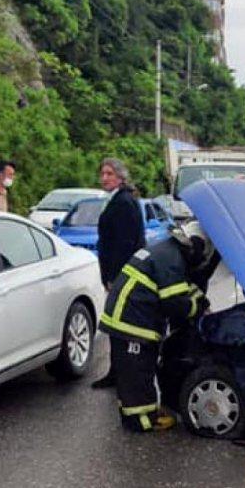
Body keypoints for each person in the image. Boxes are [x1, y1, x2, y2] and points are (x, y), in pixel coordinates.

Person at [99, 223, 211, 432]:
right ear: (194, 245)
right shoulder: (172, 259)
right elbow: (175, 304)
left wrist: (201, 301)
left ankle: (136, 413)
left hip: (128, 318)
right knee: (137, 372)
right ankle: (141, 420)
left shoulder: (167, 251)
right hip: (132, 323)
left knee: (133, 370)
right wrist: (198, 308)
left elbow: (182, 287)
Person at [92, 157, 145, 389]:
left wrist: (114, 277)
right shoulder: (118, 199)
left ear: (121, 177)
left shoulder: (123, 202)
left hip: (122, 274)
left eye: (109, 174)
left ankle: (120, 372)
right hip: (119, 273)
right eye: (102, 174)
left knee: (119, 324)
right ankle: (117, 370)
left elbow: (123, 244)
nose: (104, 178)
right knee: (118, 324)